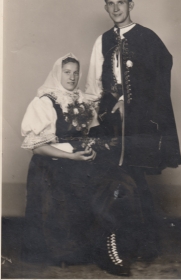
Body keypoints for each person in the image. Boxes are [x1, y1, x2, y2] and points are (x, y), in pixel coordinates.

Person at [21, 53, 142, 277]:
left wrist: (94, 148)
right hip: (53, 165)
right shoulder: (45, 101)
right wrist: (71, 157)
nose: (72, 77)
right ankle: (97, 251)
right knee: (100, 188)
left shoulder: (81, 99)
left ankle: (112, 246)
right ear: (58, 73)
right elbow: (36, 146)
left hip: (80, 160)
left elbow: (92, 134)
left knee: (122, 181)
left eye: (76, 73)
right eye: (67, 72)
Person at [85, 0, 181, 261]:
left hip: (138, 125)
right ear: (105, 7)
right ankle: (115, 247)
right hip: (110, 124)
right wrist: (94, 118)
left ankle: (142, 247)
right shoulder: (101, 41)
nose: (116, 8)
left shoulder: (148, 38)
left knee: (134, 180)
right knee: (112, 182)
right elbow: (94, 85)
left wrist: (132, 101)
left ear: (131, 5)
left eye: (121, 2)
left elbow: (160, 76)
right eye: (111, 3)